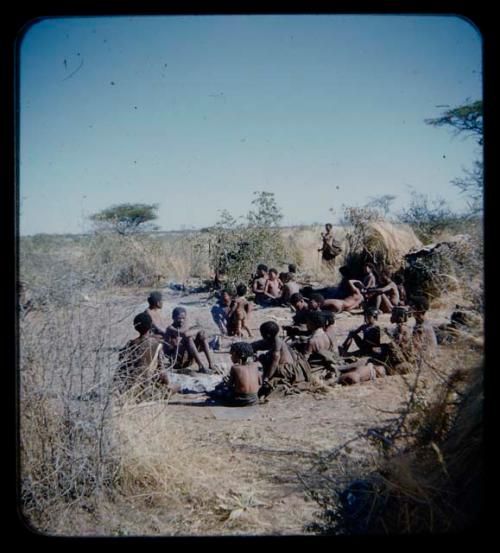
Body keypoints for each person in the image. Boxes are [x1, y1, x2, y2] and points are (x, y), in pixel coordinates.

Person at [115, 312, 180, 398]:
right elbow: (162, 373)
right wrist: (166, 383)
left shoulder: (129, 345)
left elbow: (121, 368)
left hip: (127, 389)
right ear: (150, 326)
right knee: (177, 386)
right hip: (145, 390)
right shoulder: (156, 345)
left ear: (135, 326)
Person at [251, 321, 312, 397]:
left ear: (267, 335)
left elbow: (274, 363)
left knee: (263, 359)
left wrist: (267, 378)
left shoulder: (277, 345)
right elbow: (261, 344)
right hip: (292, 367)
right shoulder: (276, 340)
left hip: (287, 370)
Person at [164, 307, 216, 374]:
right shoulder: (170, 329)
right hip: (177, 361)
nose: (181, 320)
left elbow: (194, 331)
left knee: (201, 335)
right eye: (179, 318)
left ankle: (211, 364)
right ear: (173, 317)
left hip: (188, 359)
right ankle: (201, 366)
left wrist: (199, 330)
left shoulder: (185, 325)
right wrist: (198, 329)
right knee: (189, 338)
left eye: (183, 318)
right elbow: (185, 334)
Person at [210, 342, 262, 406]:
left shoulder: (235, 368)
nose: (231, 357)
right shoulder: (256, 365)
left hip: (239, 401)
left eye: (232, 355)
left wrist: (226, 382)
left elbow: (229, 386)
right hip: (255, 399)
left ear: (240, 355)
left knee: (218, 391)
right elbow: (260, 383)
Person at [409, 296, 438, 362]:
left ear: (420, 309)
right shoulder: (422, 321)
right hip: (427, 355)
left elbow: (416, 346)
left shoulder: (421, 325)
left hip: (425, 358)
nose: (409, 308)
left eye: (412, 306)